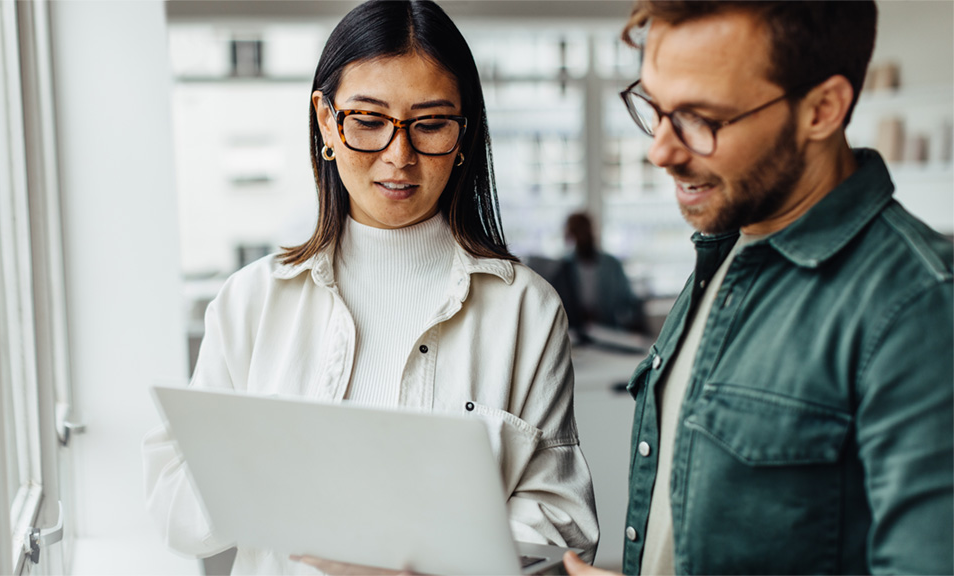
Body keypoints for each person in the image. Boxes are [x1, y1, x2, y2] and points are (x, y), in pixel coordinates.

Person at [142, 1, 599, 573]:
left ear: (465, 133)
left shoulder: (525, 309)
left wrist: (420, 560)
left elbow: (564, 521)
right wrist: (278, 474)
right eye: (368, 121)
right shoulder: (250, 302)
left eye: (430, 123)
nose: (399, 155)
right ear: (327, 122)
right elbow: (175, 510)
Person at [563, 1, 953, 574]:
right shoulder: (724, 254)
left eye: (700, 118)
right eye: (655, 107)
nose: (660, 151)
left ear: (821, 109)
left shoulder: (920, 306)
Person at [559, 212, 646, 336]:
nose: (581, 237)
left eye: (583, 231)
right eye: (576, 233)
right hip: (575, 334)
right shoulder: (564, 266)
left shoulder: (612, 265)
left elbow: (628, 301)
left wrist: (627, 322)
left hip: (609, 331)